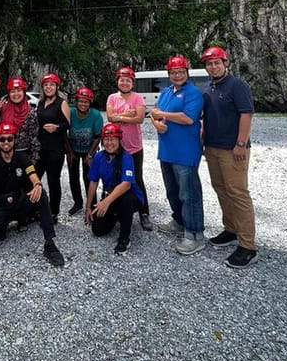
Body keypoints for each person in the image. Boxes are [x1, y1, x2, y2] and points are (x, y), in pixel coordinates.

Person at [200, 46, 258, 268]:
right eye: (209, 63)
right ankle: (231, 229)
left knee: (238, 193)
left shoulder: (237, 85)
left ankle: (248, 246)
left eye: (217, 62)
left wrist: (241, 144)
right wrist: (203, 140)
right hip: (213, 147)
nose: (213, 66)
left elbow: (246, 113)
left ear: (225, 63)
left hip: (233, 149)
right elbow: (207, 118)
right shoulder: (208, 88)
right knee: (221, 188)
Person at [0, 123, 65, 267]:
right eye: (3, 139)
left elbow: (33, 176)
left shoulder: (23, 158)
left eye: (9, 139)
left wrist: (37, 185)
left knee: (41, 194)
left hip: (19, 202)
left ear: (14, 140)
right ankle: (7, 222)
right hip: (2, 206)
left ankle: (50, 243)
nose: (6, 142)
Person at [149, 54, 205, 255]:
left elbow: (188, 118)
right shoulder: (166, 92)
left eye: (181, 72)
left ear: (187, 73)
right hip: (167, 150)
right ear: (169, 74)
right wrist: (156, 123)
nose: (177, 75)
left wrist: (162, 116)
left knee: (189, 193)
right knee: (172, 190)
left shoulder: (193, 93)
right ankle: (179, 221)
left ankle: (195, 234)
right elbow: (154, 113)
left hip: (185, 152)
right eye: (173, 72)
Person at [85, 123, 145, 254]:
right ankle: (116, 215)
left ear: (119, 140)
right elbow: (93, 182)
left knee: (125, 200)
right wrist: (88, 207)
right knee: (98, 230)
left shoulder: (126, 157)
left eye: (112, 139)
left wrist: (106, 202)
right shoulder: (99, 157)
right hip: (110, 196)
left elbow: (126, 184)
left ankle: (125, 237)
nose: (109, 143)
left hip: (130, 197)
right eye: (106, 140)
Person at [106, 66, 152, 230]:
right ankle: (118, 210)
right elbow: (110, 116)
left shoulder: (137, 97)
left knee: (137, 179)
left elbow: (139, 118)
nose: (124, 83)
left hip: (133, 147)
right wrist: (128, 115)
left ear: (132, 82)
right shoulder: (112, 97)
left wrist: (121, 117)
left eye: (128, 80)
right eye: (122, 80)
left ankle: (144, 213)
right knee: (116, 177)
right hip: (115, 147)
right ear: (117, 81)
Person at [34, 72, 71, 222]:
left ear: (57, 87)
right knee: (35, 178)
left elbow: (68, 124)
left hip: (55, 148)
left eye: (52, 85)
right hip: (41, 147)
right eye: (46, 85)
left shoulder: (61, 103)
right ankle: (35, 209)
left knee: (53, 181)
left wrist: (56, 127)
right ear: (43, 87)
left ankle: (54, 212)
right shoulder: (40, 103)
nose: (49, 87)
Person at [64, 86, 103, 215]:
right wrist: (69, 152)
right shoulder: (70, 112)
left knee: (89, 177)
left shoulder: (96, 115)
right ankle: (78, 203)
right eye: (80, 101)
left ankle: (91, 204)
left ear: (90, 103)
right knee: (73, 177)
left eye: (86, 101)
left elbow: (98, 137)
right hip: (73, 148)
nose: (83, 104)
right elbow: (64, 133)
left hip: (89, 149)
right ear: (76, 102)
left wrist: (90, 155)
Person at [0, 77, 40, 168]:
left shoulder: (31, 112)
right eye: (12, 91)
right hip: (3, 153)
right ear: (9, 94)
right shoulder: (2, 108)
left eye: (19, 90)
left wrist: (34, 157)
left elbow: (34, 136)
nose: (16, 94)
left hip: (23, 154)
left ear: (24, 92)